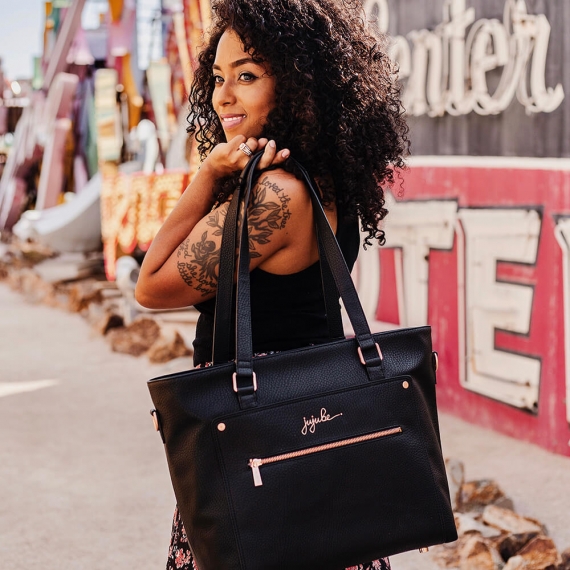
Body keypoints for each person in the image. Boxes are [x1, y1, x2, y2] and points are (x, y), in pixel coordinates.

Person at [135, 0, 409, 568]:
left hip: (259, 441)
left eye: (247, 76)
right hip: (310, 438)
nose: (223, 96)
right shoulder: (322, 180)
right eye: (218, 77)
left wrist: (208, 173)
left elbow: (151, 284)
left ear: (297, 83)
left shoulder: (276, 196)